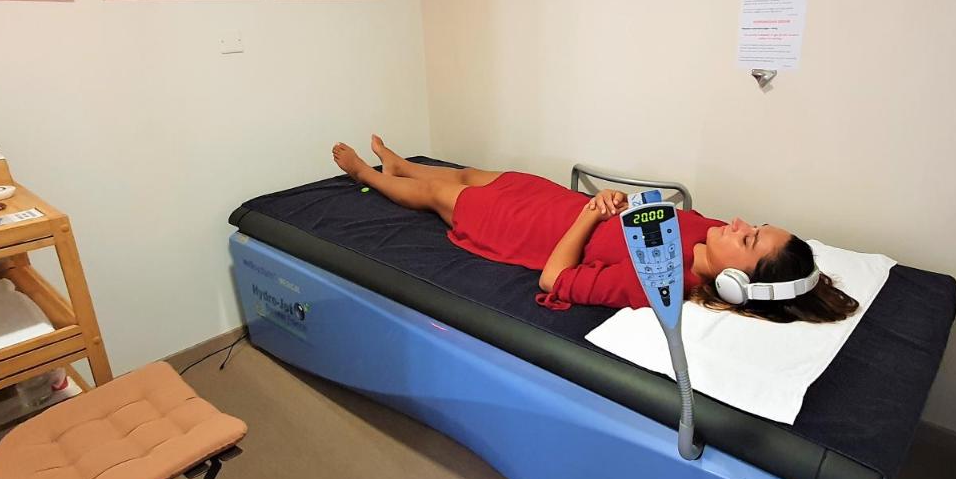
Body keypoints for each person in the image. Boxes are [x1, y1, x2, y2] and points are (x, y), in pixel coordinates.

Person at [333, 136, 858, 324]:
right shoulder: (711, 231)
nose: (738, 225)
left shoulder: (658, 283)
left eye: (748, 239)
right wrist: (617, 203)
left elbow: (555, 280)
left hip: (528, 232)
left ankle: (368, 176)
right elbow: (646, 216)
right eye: (755, 226)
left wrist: (591, 215)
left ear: (735, 284)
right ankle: (400, 164)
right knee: (469, 174)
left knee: (439, 196)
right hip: (559, 202)